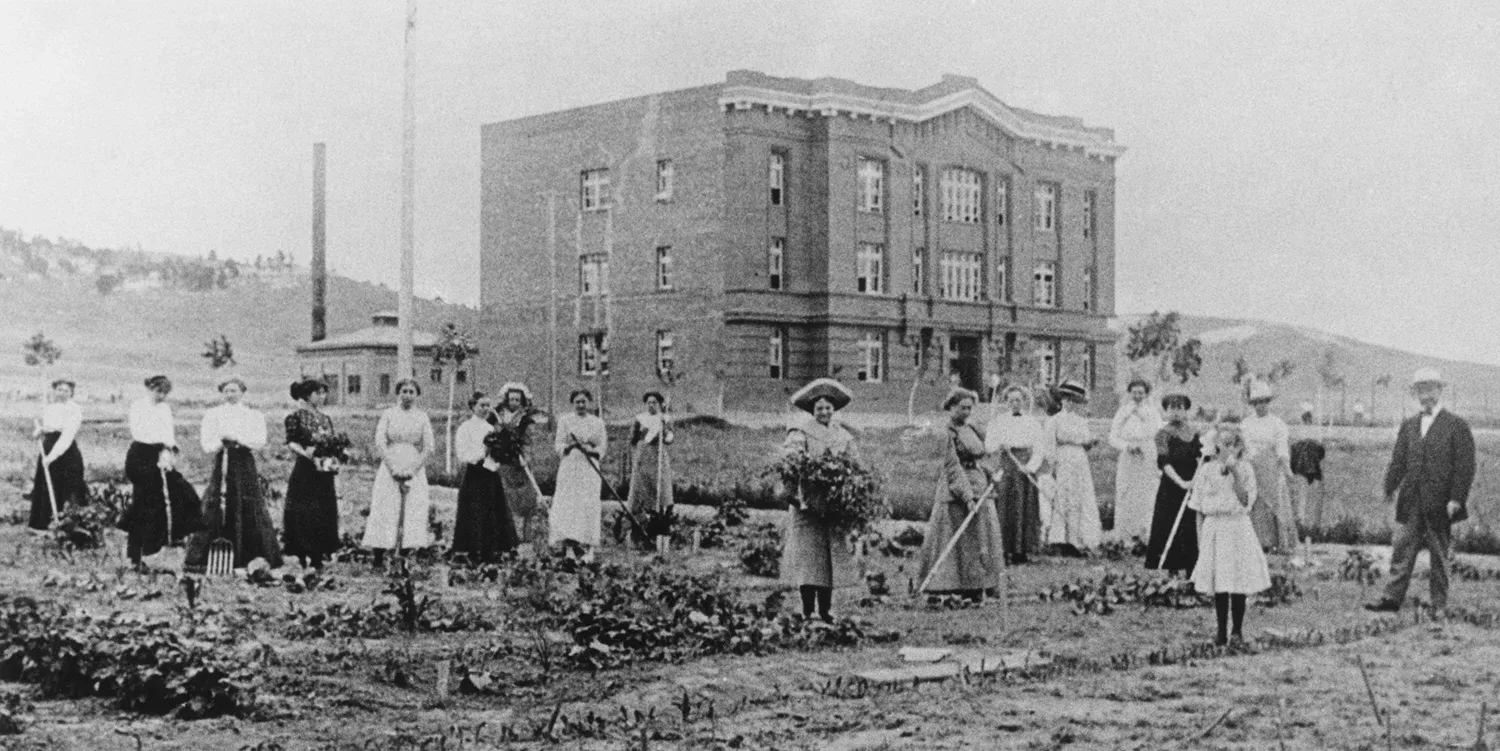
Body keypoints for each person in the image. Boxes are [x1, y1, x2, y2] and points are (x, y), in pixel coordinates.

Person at [1365, 368, 1476, 614]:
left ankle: (1438, 604)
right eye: (1420, 390)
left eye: (1430, 389)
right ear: (1415, 394)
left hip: (1441, 502)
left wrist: (1456, 498)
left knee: (1439, 553)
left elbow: (1465, 467)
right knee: (1402, 547)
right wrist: (1389, 488)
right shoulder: (1409, 426)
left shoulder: (1456, 426)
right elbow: (1399, 461)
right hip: (1411, 500)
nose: (1425, 395)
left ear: (1439, 390)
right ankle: (1391, 598)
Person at [780, 378, 860, 621]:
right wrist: (795, 490)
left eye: (828, 408)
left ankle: (825, 610)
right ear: (812, 411)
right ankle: (806, 609)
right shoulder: (801, 432)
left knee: (828, 559)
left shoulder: (843, 436)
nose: (824, 412)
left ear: (833, 410)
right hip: (808, 504)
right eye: (819, 408)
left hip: (833, 506)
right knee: (808, 557)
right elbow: (790, 462)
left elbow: (855, 466)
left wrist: (851, 490)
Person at [1188, 416, 1271, 646]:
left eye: (1232, 444)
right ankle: (1221, 630)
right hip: (1214, 528)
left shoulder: (1245, 469)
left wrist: (1234, 471)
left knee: (1238, 579)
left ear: (1239, 446)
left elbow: (1246, 501)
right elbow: (1198, 508)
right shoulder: (1206, 471)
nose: (1227, 449)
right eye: (1222, 444)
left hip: (1237, 528)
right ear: (1215, 445)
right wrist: (1200, 541)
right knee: (1219, 582)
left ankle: (1237, 630)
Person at [185, 377, 282, 571]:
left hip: (244, 462)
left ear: (242, 392)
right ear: (222, 393)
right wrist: (222, 442)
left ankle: (248, 553)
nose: (230, 394)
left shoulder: (252, 415)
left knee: (247, 501)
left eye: (234, 390)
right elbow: (207, 444)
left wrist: (238, 440)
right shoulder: (214, 414)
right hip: (223, 461)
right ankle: (206, 554)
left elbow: (259, 440)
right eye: (227, 391)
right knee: (218, 501)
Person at [917, 388, 1005, 600]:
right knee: (957, 537)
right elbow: (952, 466)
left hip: (979, 483)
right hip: (954, 487)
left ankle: (980, 584)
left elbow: (983, 455)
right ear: (951, 407)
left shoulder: (972, 428)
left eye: (969, 408)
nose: (966, 412)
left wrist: (992, 472)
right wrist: (966, 496)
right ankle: (948, 585)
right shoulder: (946, 432)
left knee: (981, 535)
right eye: (962, 408)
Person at [119, 375, 202, 567]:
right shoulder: (138, 406)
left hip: (160, 455)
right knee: (145, 503)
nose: (162, 396)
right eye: (158, 391)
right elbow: (140, 433)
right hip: (141, 456)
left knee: (183, 492)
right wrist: (160, 449)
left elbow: (168, 433)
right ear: (150, 388)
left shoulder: (164, 408)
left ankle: (169, 539)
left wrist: (167, 453)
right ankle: (137, 553)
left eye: (165, 392)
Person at [363, 378, 436, 567]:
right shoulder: (388, 414)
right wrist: (391, 467)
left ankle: (404, 553)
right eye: (404, 391)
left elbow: (428, 447)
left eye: (412, 392)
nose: (408, 395)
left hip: (413, 463)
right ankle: (379, 555)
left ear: (417, 395)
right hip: (390, 463)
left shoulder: (422, 416)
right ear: (398, 393)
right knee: (385, 506)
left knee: (413, 507)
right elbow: (380, 442)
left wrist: (414, 469)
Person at [450, 391, 521, 562]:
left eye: (488, 405)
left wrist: (497, 457)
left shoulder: (491, 428)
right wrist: (480, 454)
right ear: (472, 406)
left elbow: (497, 453)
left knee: (492, 510)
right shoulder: (465, 428)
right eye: (481, 405)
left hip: (490, 474)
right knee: (474, 510)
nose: (485, 408)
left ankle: (491, 549)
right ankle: (473, 550)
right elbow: (462, 453)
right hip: (474, 473)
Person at [282, 378, 342, 570]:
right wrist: (307, 454)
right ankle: (303, 553)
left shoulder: (325, 419)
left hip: (323, 471)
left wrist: (335, 458)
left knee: (323, 509)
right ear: (308, 395)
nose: (323, 397)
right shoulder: (295, 417)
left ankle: (320, 553)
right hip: (305, 470)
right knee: (304, 511)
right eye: (319, 393)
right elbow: (291, 442)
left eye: (324, 393)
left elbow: (332, 443)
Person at [985, 384, 1047, 564]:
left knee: (1023, 507)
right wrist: (999, 445)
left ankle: (1022, 551)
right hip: (1006, 467)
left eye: (1018, 400)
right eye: (1011, 400)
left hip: (1024, 467)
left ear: (1024, 401)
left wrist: (1030, 466)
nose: (1015, 403)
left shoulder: (1032, 422)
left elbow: (1039, 448)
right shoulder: (998, 421)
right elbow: (989, 446)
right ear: (1006, 402)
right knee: (1004, 507)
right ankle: (1003, 550)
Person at [1145, 394, 1202, 574]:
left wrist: (1195, 481)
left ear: (1186, 411)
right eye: (1172, 408)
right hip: (1171, 486)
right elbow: (1164, 462)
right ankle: (1171, 571)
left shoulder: (1194, 433)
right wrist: (1181, 483)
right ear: (1166, 411)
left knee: (1189, 527)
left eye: (1180, 408)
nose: (1176, 412)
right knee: (1168, 525)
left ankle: (1192, 571)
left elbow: (1201, 458)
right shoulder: (1163, 434)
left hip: (1191, 486)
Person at [1044, 380, 1102, 555]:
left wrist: (1091, 442)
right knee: (1064, 496)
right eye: (1066, 399)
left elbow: (1085, 443)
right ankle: (1060, 539)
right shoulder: (1054, 420)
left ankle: (1078, 539)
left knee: (1079, 496)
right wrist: (1052, 465)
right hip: (1063, 459)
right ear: (1061, 400)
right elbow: (1049, 446)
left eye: (1073, 400)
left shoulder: (1081, 421)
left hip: (1079, 460)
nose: (1069, 403)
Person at [1242, 380, 1298, 553]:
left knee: (1275, 503)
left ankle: (1278, 542)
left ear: (1268, 403)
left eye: (1264, 402)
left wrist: (1286, 468)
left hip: (1272, 468)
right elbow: (1246, 446)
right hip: (1253, 467)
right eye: (1257, 403)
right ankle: (1258, 542)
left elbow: (1281, 448)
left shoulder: (1277, 424)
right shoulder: (1246, 424)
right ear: (1253, 404)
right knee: (1255, 502)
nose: (1261, 406)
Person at [551, 389, 607, 558]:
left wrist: (591, 450)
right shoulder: (565, 420)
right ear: (572, 403)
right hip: (570, 466)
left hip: (589, 468)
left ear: (589, 403)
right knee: (569, 504)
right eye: (577, 402)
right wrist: (568, 447)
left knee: (588, 504)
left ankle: (588, 547)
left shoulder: (597, 422)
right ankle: (569, 547)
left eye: (584, 402)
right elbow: (558, 444)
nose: (581, 405)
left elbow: (602, 446)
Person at [27, 378, 87, 531]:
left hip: (65, 453)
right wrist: (40, 431)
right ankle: (41, 524)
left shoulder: (75, 409)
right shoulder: (50, 408)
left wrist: (51, 457)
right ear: (54, 391)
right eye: (59, 389)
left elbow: (66, 436)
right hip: (48, 447)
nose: (62, 393)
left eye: (66, 390)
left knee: (65, 486)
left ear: (71, 393)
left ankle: (67, 524)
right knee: (46, 484)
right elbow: (49, 428)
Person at [1109, 378, 1163, 543]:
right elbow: (1113, 436)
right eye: (1134, 392)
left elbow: (1157, 433)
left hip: (1146, 457)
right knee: (1127, 493)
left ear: (1146, 394)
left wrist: (1145, 446)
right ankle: (1126, 536)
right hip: (1128, 458)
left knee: (1146, 494)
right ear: (1130, 393)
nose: (1138, 396)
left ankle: (1146, 535)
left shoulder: (1152, 412)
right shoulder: (1123, 411)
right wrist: (1126, 446)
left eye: (1141, 392)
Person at [493, 382, 545, 543]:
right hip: (504, 462)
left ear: (522, 401)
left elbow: (528, 441)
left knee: (526, 501)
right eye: (511, 399)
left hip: (520, 464)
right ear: (506, 400)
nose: (514, 402)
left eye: (517, 400)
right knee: (506, 499)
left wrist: (525, 457)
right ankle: (507, 536)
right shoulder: (498, 416)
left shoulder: (526, 419)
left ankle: (527, 535)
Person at [627, 392, 674, 523]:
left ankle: (660, 514)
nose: (651, 405)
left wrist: (664, 429)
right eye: (648, 402)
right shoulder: (640, 418)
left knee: (660, 483)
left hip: (658, 455)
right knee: (641, 483)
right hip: (643, 455)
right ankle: (638, 515)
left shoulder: (664, 418)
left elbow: (670, 439)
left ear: (659, 404)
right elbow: (633, 438)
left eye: (654, 402)